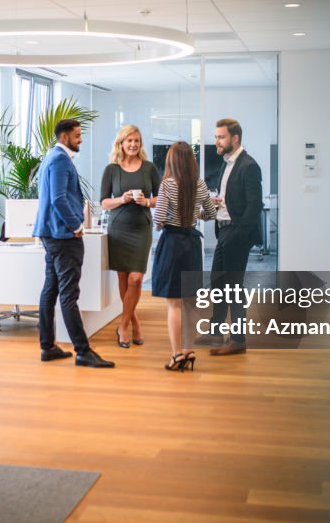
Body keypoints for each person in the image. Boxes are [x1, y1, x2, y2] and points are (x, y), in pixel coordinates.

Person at [32, 119, 114, 368]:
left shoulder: (51, 157)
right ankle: (83, 351)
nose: (80, 139)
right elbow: (58, 198)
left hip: (51, 235)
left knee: (51, 290)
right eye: (77, 135)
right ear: (64, 136)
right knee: (68, 294)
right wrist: (76, 226)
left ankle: (48, 347)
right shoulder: (59, 160)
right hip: (63, 236)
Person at [151, 142, 217, 371]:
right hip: (191, 245)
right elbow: (210, 214)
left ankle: (177, 354)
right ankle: (189, 351)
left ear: (172, 161)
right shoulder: (200, 184)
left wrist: (164, 220)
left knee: (174, 305)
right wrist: (192, 213)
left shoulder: (167, 184)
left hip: (172, 244)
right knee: (189, 303)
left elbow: (159, 219)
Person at [205, 118, 263, 356]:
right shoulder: (226, 164)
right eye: (217, 136)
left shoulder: (249, 165)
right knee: (218, 282)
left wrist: (238, 235)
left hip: (237, 233)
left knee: (233, 287)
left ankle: (238, 339)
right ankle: (216, 330)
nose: (217, 141)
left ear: (234, 138)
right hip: (224, 229)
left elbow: (254, 206)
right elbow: (231, 197)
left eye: (221, 137)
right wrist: (219, 202)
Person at [100, 124, 160, 348]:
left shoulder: (149, 168)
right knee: (124, 279)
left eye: (137, 141)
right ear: (121, 144)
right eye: (129, 141)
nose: (133, 145)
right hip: (119, 230)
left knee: (136, 278)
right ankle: (134, 322)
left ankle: (122, 326)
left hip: (141, 228)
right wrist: (121, 199)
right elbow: (104, 202)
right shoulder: (112, 170)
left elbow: (161, 198)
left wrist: (147, 201)